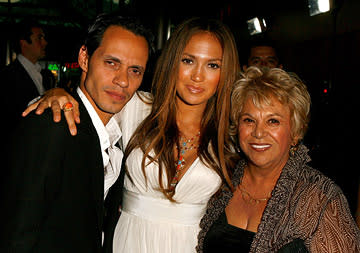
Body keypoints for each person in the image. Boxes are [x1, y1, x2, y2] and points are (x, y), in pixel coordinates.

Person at [22, 17, 241, 252]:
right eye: (188, 60)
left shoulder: (231, 136)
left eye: (213, 65)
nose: (197, 76)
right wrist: (56, 94)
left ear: (225, 71)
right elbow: (83, 108)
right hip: (127, 241)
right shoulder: (136, 107)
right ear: (172, 62)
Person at [0, 13, 153, 252]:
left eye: (135, 70)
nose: (123, 81)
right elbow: (17, 233)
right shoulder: (53, 124)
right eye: (111, 63)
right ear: (84, 58)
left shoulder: (117, 135)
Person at [196, 66, 360, 252]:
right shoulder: (221, 181)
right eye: (249, 120)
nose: (258, 133)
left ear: (295, 132)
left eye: (273, 121)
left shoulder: (321, 199)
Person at [0, 19, 55, 127]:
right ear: (24, 43)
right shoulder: (7, 76)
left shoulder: (46, 75)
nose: (45, 42)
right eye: (39, 38)